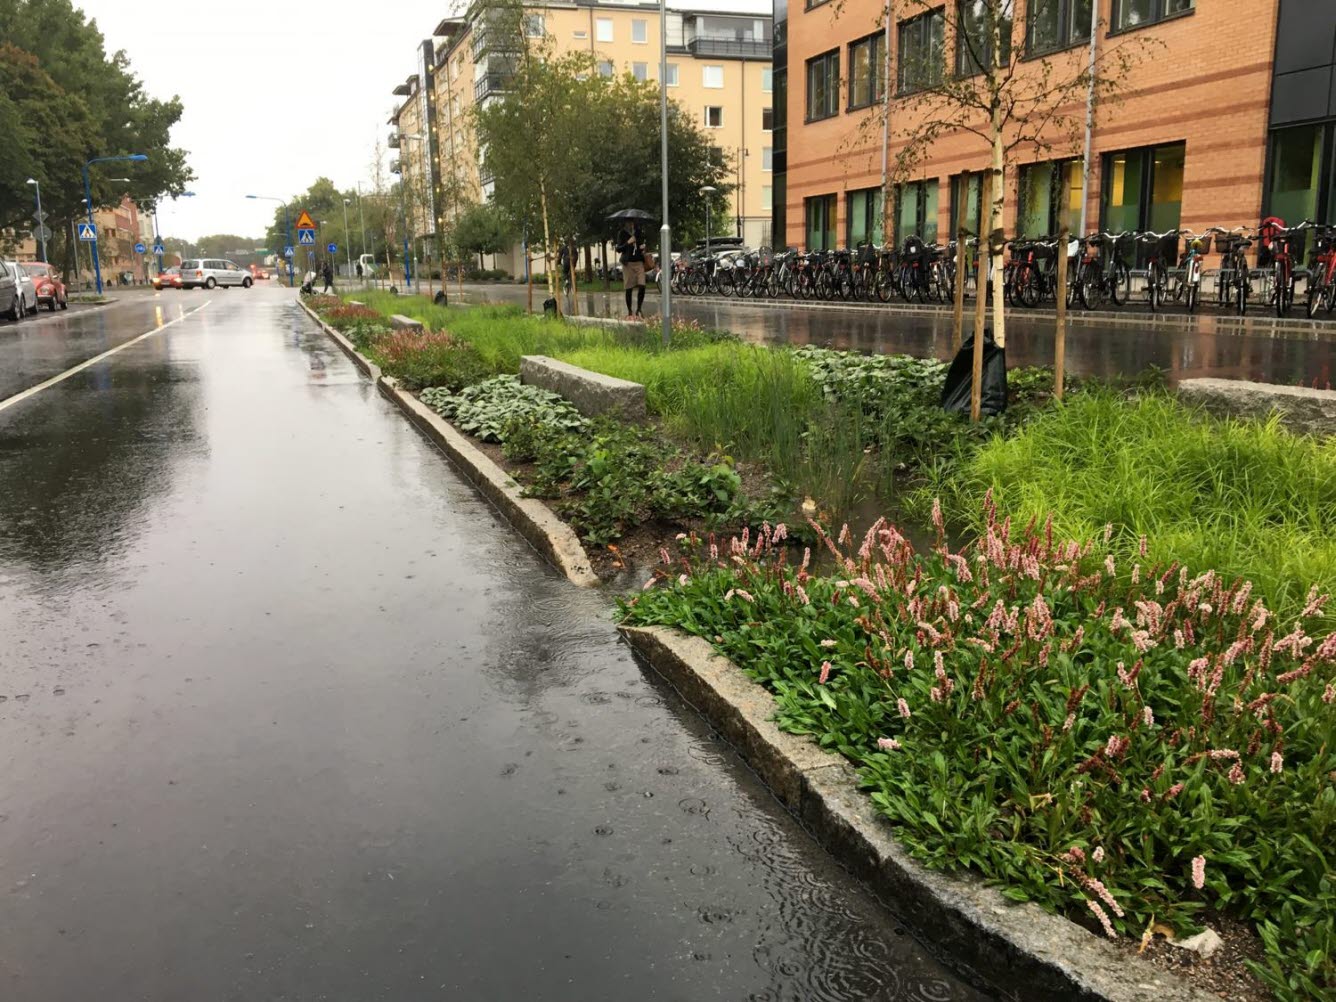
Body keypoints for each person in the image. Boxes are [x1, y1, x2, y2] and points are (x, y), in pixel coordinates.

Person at [616, 222, 646, 319]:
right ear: (626, 223)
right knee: (629, 288)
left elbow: (641, 245)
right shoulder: (622, 233)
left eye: (633, 222)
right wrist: (628, 242)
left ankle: (639, 308)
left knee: (642, 285)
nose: (631, 224)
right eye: (629, 222)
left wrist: (643, 247)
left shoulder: (638, 232)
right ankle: (629, 310)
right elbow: (618, 249)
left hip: (639, 262)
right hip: (628, 263)